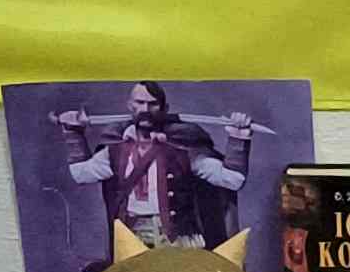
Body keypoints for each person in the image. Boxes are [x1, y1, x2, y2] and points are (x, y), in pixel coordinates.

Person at [60, 82, 253, 251]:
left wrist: (238, 138)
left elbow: (232, 180)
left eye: (153, 104)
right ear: (130, 105)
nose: (145, 109)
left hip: (178, 238)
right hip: (132, 237)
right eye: (140, 102)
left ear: (164, 108)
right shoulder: (115, 151)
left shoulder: (182, 150)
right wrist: (73, 133)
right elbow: (81, 173)